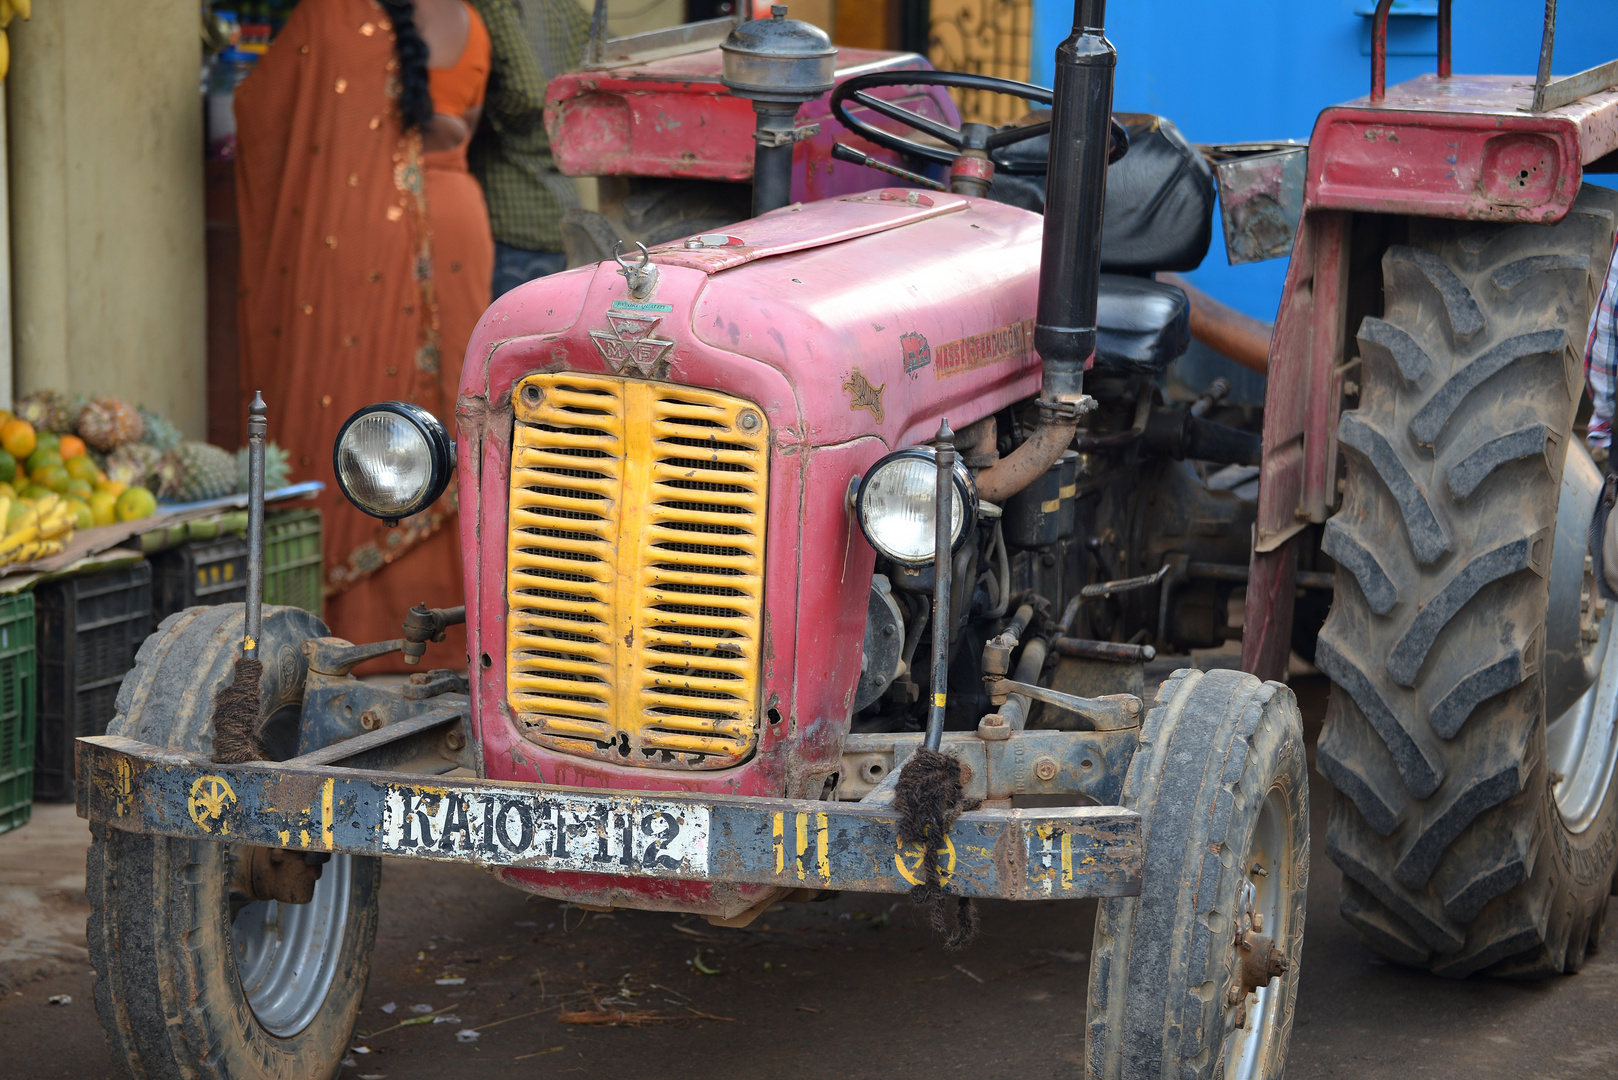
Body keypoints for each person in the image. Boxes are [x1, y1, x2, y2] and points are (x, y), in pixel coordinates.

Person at [235, 0, 493, 670]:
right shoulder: (470, 22)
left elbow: (258, 115)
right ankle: (459, 648)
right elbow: (457, 124)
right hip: (459, 227)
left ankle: (353, 643)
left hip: (361, 247)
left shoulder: (332, 17)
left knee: (357, 414)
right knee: (456, 428)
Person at [468, 0, 591, 297]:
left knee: (506, 339)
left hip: (514, 207)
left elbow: (525, 94)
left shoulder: (492, 5)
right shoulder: (560, 7)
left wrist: (477, 118)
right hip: (562, 204)